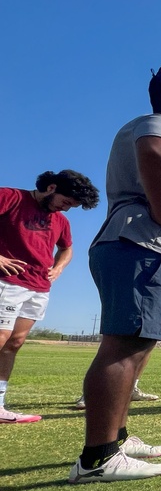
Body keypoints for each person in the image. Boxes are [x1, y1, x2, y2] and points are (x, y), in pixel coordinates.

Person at [68, 60, 161, 483]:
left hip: (147, 251)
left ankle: (118, 437)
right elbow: (155, 149)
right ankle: (97, 458)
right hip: (143, 248)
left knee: (137, 347)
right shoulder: (160, 124)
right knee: (123, 347)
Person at [0, 171, 100, 424]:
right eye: (65, 202)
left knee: (15, 342)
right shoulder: (10, 197)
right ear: (51, 187)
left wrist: (59, 267)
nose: (65, 209)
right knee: (0, 337)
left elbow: (67, 248)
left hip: (38, 287)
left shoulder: (61, 221)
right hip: (7, 281)